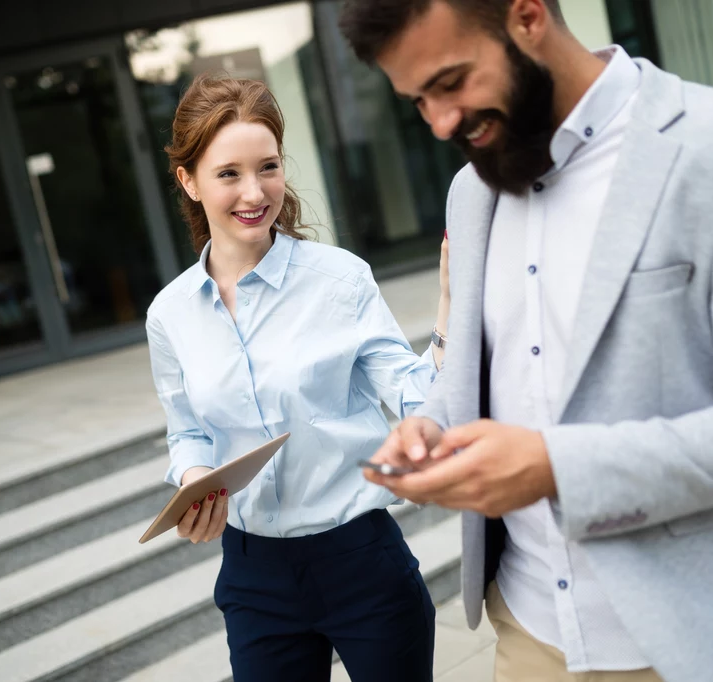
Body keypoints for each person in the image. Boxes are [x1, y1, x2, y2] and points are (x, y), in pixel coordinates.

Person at [337, 1, 713, 682]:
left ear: (526, 16)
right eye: (418, 102)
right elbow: (481, 364)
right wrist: (431, 425)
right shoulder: (470, 191)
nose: (440, 123)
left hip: (693, 643)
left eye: (452, 82)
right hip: (525, 633)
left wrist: (555, 466)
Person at [145, 73, 451, 682]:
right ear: (188, 181)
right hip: (256, 575)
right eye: (228, 173)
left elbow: (416, 397)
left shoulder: (342, 280)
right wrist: (195, 477)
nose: (255, 192)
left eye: (269, 167)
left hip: (362, 558)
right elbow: (186, 433)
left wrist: (449, 313)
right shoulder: (169, 314)